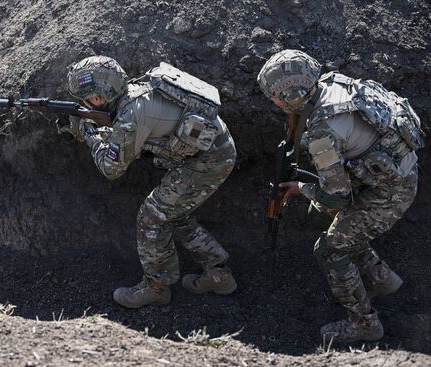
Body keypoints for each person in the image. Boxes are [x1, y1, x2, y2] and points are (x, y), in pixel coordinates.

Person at [257, 49, 424, 342]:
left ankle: (364, 323)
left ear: (292, 97)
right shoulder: (332, 83)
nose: (272, 101)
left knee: (329, 249)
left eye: (275, 97)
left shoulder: (323, 130)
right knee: (320, 216)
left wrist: (301, 189)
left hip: (389, 193)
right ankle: (380, 277)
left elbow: (337, 198)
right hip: (390, 170)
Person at [67, 56, 237, 308]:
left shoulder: (131, 114)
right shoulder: (135, 92)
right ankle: (219, 275)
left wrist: (89, 135)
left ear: (97, 99)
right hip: (211, 151)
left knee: (152, 217)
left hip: (207, 161)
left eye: (85, 100)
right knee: (174, 214)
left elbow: (111, 169)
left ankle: (156, 288)